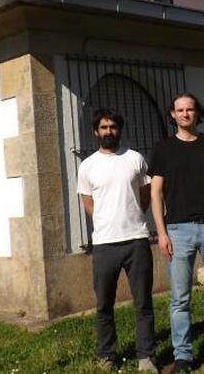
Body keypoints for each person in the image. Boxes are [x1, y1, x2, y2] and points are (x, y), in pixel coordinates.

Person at [150, 93, 204, 371]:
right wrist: (161, 232)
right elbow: (156, 192)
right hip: (177, 230)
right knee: (179, 299)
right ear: (172, 115)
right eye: (180, 110)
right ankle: (183, 355)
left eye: (190, 109)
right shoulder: (163, 149)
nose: (185, 114)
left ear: (197, 113)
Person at [77, 108, 158, 372]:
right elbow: (88, 202)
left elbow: (145, 194)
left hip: (136, 239)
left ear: (119, 130)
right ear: (95, 131)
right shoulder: (87, 166)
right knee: (104, 305)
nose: (108, 131)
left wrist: (132, 215)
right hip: (104, 244)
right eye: (104, 127)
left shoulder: (135, 159)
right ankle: (107, 355)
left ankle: (146, 356)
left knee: (143, 302)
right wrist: (106, 220)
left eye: (113, 127)